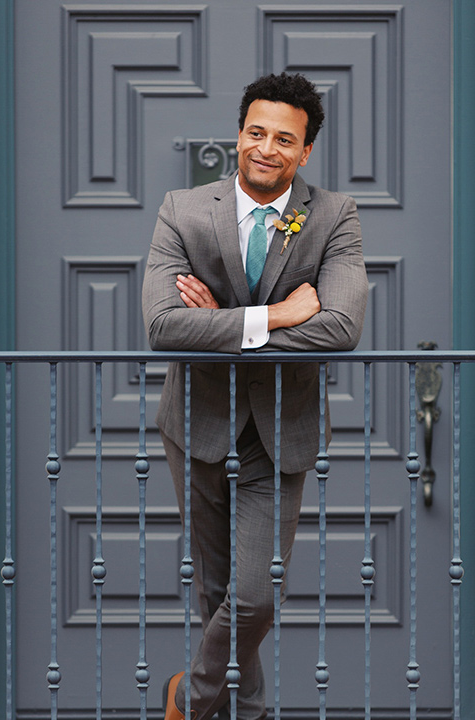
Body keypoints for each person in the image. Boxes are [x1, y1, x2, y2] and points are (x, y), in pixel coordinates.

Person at [142, 72, 368, 720]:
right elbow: (163, 325)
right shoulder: (181, 210)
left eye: (284, 139)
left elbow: (342, 328)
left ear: (305, 152)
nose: (266, 148)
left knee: (254, 595)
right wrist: (274, 317)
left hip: (281, 427)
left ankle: (189, 697)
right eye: (255, 132)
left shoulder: (333, 217)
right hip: (197, 422)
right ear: (239, 134)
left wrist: (221, 326)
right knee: (218, 595)